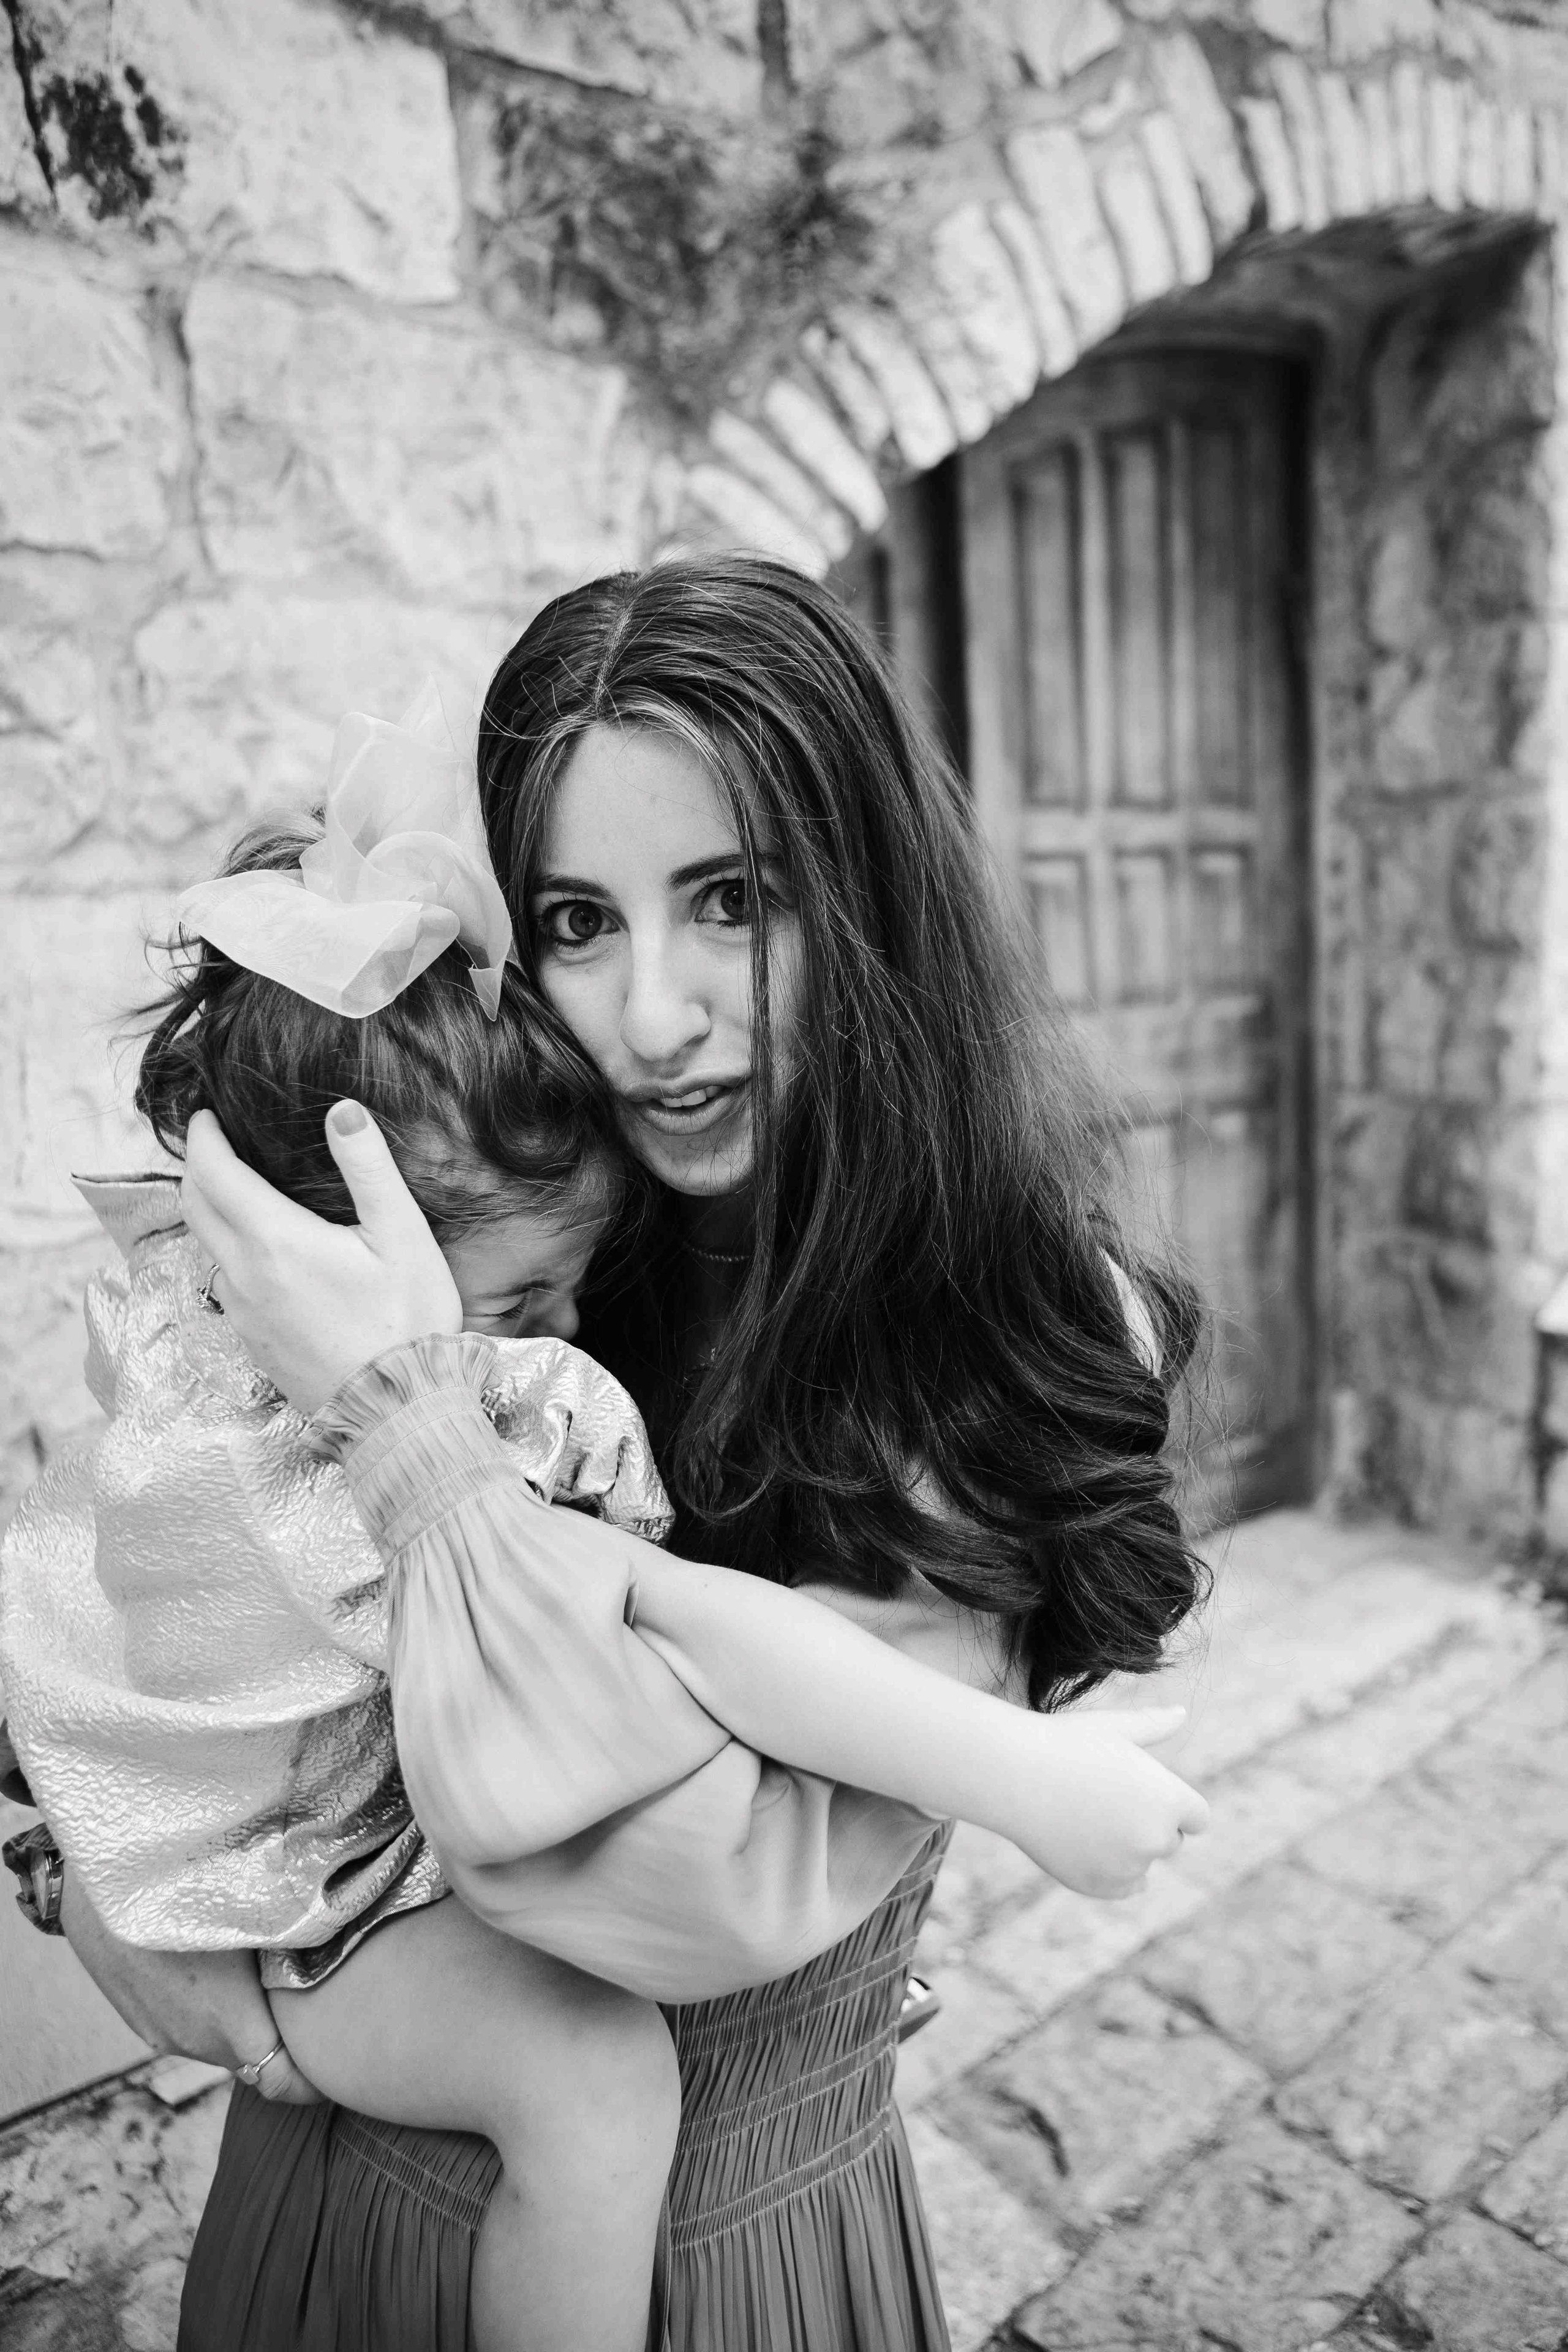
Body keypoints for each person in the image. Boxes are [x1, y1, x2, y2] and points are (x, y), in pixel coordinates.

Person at [51, 556, 1209, 2352]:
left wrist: (408, 1433)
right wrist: (89, 1873)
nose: (652, 1018)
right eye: (578, 920)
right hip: (313, 2193)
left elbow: (677, 1883)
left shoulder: (990, 1344)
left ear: (872, 899)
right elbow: (153, 1564)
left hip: (691, 2261)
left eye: (735, 900)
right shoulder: (545, 1231)